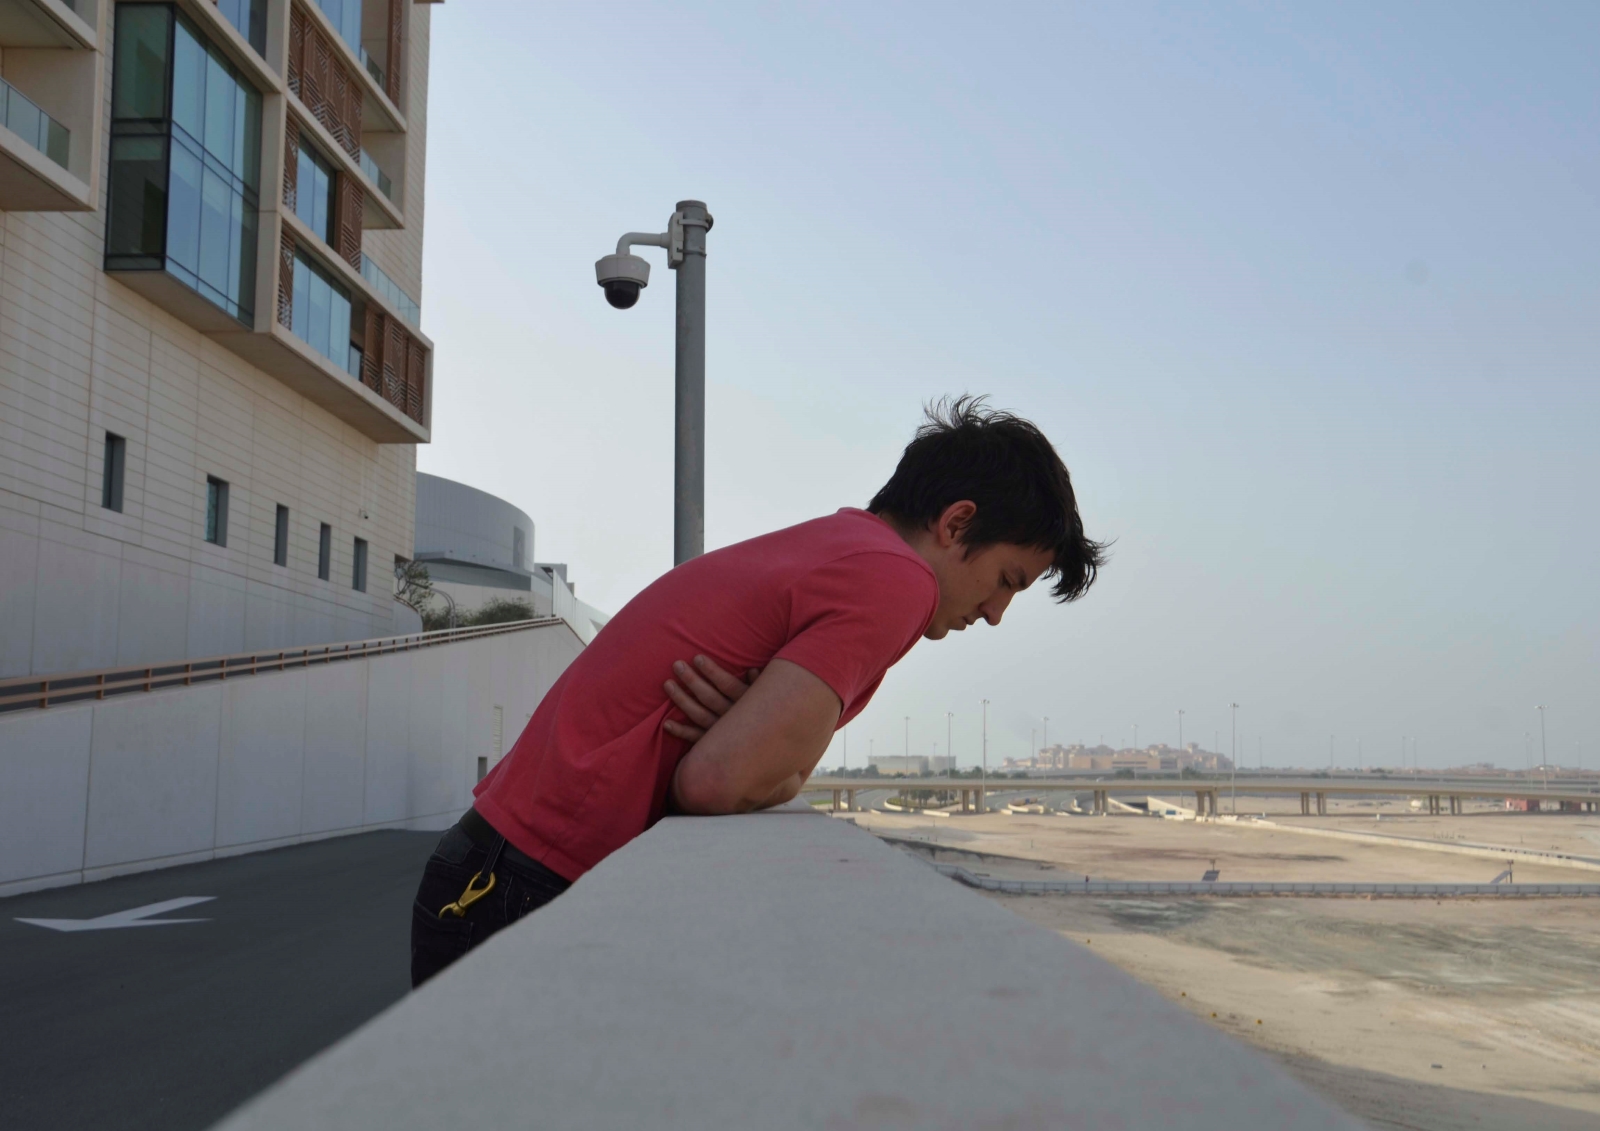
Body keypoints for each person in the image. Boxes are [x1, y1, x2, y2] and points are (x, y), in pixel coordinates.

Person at [410, 396, 1105, 986]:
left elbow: (729, 764)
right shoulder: (898, 580)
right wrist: (779, 765)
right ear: (956, 524)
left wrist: (753, 736)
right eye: (1008, 581)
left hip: (495, 873)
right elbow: (718, 780)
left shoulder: (843, 547)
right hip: (514, 889)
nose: (994, 613)